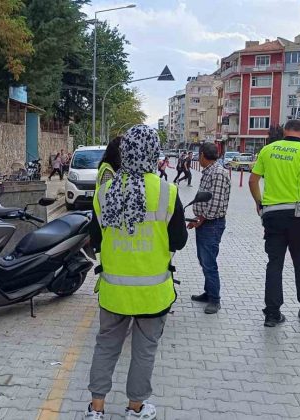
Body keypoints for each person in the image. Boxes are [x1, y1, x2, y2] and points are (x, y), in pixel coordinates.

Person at [85, 125, 188, 420]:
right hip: (153, 294)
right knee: (144, 351)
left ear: (125, 152)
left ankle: (96, 409)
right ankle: (135, 408)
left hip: (113, 291)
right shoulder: (167, 192)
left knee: (106, 346)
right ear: (154, 154)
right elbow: (179, 240)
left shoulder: (105, 192)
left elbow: (95, 240)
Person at [248, 119, 300, 327]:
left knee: (274, 264)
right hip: (299, 217)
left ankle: (272, 314)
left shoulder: (268, 150)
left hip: (272, 216)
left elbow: (253, 181)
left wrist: (259, 203)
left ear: (283, 132)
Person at [188, 143, 231, 314]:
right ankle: (208, 292)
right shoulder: (209, 172)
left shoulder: (218, 174)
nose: (198, 158)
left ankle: (215, 299)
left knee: (209, 262)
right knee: (204, 259)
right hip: (205, 222)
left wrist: (201, 219)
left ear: (203, 155)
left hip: (212, 224)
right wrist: (197, 218)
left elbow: (215, 204)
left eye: (199, 155)